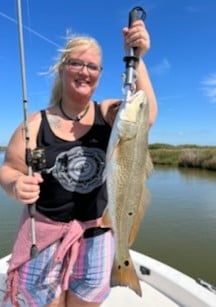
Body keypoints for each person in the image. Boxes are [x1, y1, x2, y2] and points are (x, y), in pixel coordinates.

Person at [0, 18, 157, 307]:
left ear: (99, 74)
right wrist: (14, 184)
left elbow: (144, 115)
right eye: (77, 63)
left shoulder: (110, 112)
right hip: (45, 234)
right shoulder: (35, 123)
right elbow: (9, 168)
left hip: (97, 232)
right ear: (62, 69)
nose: (85, 71)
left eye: (93, 66)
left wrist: (138, 58)